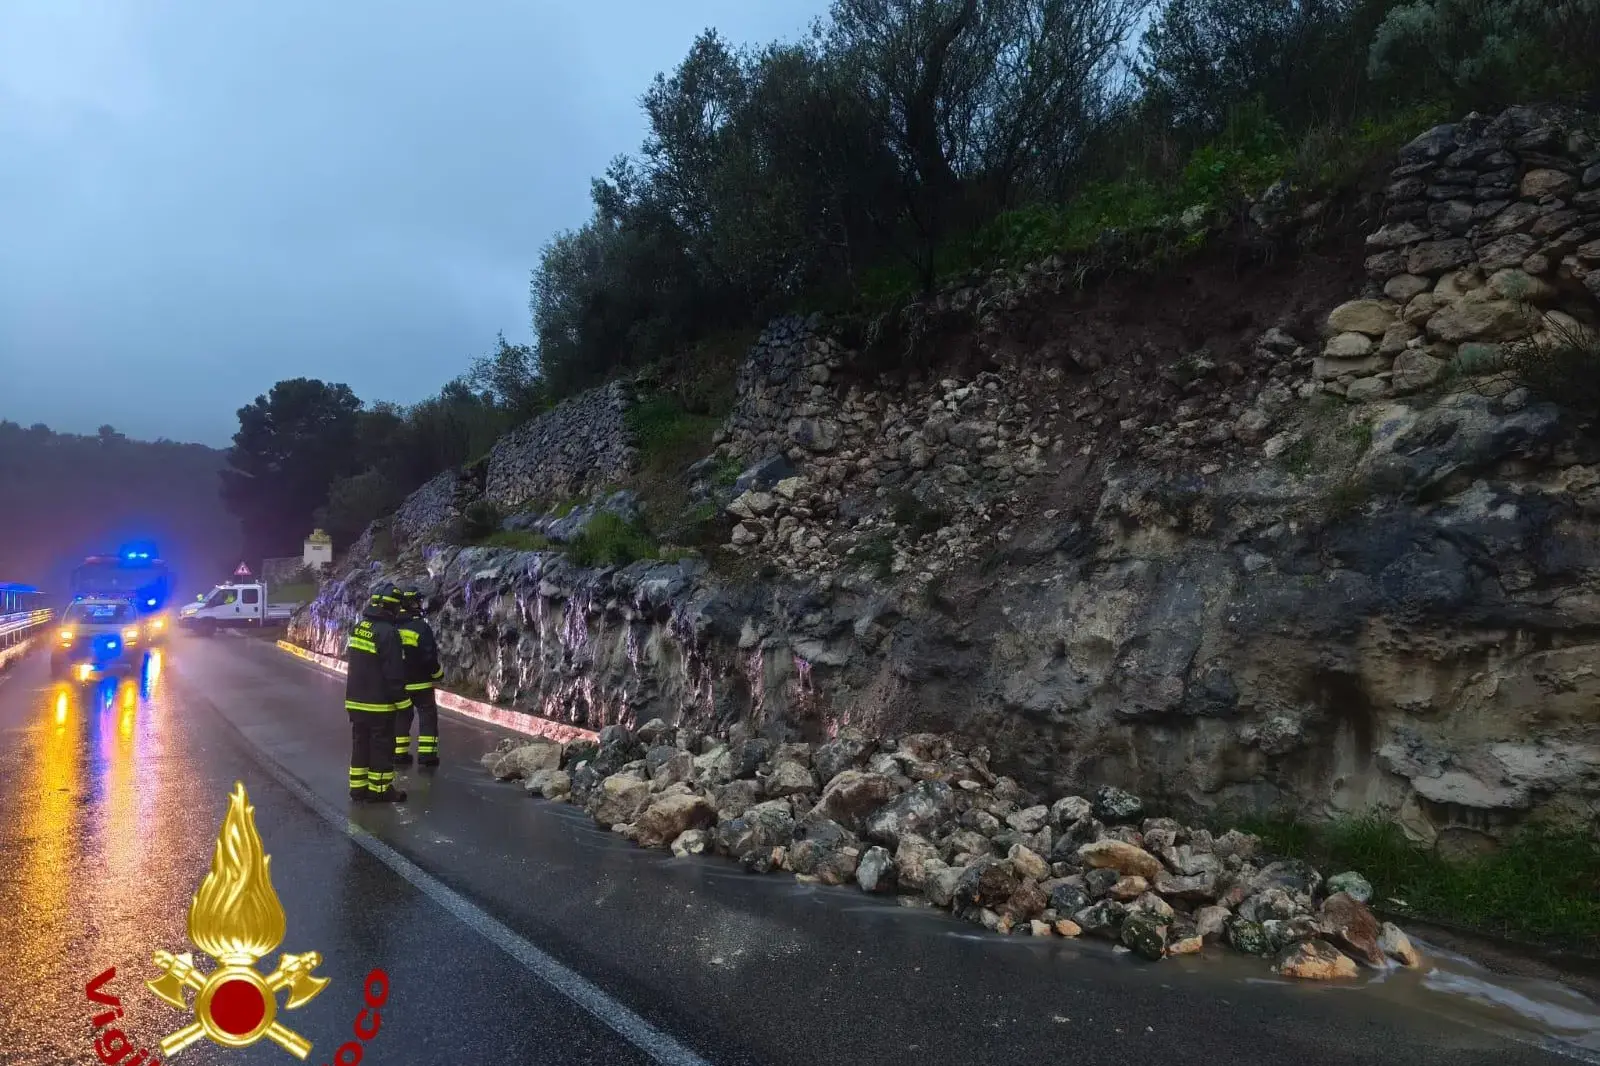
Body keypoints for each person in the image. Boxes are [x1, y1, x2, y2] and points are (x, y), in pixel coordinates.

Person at [343, 583, 409, 803]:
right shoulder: (388, 633)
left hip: (355, 701)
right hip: (379, 704)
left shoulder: (359, 627)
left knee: (360, 743)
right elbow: (393, 673)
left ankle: (358, 788)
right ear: (391, 607)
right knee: (381, 746)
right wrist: (403, 702)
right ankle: (379, 790)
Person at [393, 585, 444, 769]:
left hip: (399, 685)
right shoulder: (421, 627)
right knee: (427, 718)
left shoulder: (392, 626)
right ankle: (427, 756)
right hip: (421, 684)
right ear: (414, 603)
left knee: (401, 717)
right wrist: (438, 674)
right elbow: (429, 656)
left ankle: (399, 754)